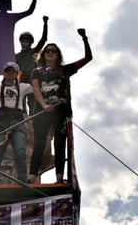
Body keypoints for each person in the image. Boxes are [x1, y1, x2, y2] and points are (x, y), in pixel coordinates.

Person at [28, 29, 92, 183]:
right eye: (47, 51)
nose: (50, 53)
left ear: (57, 55)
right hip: (42, 110)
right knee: (39, 142)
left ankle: (58, 176)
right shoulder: (36, 71)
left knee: (59, 142)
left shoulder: (65, 69)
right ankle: (32, 175)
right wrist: (44, 105)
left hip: (60, 109)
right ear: (43, 54)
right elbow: (36, 88)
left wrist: (84, 38)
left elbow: (88, 58)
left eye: (53, 51)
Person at [0, 62, 33, 184]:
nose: (10, 73)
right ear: (4, 72)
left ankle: (22, 181)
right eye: (8, 71)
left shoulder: (23, 87)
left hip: (17, 122)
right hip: (1, 122)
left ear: (16, 74)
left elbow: (37, 86)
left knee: (20, 151)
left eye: (13, 71)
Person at [16, 15, 48, 114]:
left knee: (32, 99)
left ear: (30, 43)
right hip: (21, 79)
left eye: (26, 41)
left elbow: (43, 40)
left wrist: (45, 24)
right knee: (21, 99)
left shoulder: (33, 51)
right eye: (22, 41)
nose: (24, 43)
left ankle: (33, 117)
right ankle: (23, 117)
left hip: (32, 78)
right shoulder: (17, 56)